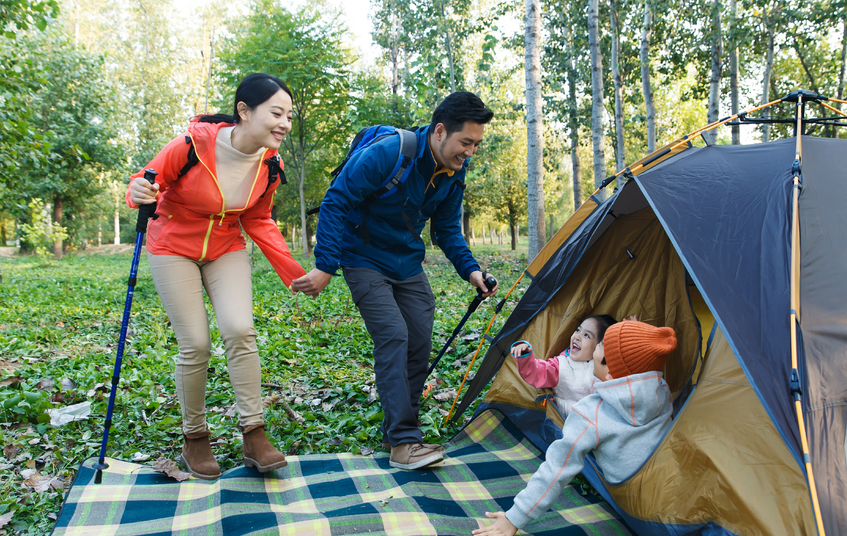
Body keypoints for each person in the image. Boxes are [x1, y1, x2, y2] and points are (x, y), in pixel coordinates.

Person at [292, 92, 497, 471]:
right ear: (439, 132)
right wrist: (325, 266)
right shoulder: (390, 152)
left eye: (475, 145)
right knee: (393, 335)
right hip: (362, 257)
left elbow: (448, 229)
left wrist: (471, 271)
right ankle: (404, 442)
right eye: (465, 142)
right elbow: (336, 200)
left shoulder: (455, 171)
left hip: (407, 263)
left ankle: (397, 431)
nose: (469, 151)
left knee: (419, 337)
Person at [127, 73, 306, 480]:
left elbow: (258, 218)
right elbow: (146, 181)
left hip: (225, 246)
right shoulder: (193, 145)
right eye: (277, 113)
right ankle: (195, 439)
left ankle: (254, 434)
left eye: (289, 116)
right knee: (197, 344)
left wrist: (294, 273)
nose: (285, 124)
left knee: (241, 330)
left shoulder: (270, 164)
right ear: (244, 111)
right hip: (172, 245)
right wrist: (138, 191)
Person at [472, 320, 677, 536]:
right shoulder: (661, 388)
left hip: (639, 508)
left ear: (609, 374)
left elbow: (556, 469)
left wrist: (514, 518)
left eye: (599, 347)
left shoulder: (592, 413)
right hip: (669, 488)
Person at [510, 315, 616, 419]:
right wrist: (525, 356)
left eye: (587, 335)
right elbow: (537, 373)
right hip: (566, 422)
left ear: (600, 346)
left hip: (598, 423)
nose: (577, 337)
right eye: (578, 330)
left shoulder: (602, 366)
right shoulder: (562, 365)